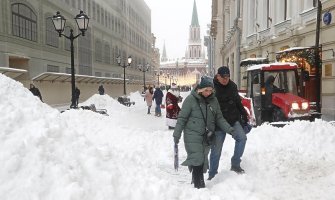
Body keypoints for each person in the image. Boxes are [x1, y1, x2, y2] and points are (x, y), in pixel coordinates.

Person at [173, 76, 234, 189]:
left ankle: (195, 178)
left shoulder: (214, 101)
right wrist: (177, 134)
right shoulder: (190, 100)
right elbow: (182, 118)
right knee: (198, 158)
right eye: (206, 90)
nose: (208, 93)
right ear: (201, 89)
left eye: (210, 90)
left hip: (207, 136)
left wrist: (230, 129)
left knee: (202, 159)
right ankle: (199, 186)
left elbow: (219, 118)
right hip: (192, 135)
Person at [208, 66, 249, 180]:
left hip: (232, 120)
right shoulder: (211, 88)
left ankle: (235, 164)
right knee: (216, 151)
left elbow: (238, 102)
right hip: (218, 124)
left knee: (242, 138)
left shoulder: (232, 86)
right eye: (223, 77)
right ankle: (212, 174)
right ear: (218, 76)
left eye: (227, 77)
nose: (226, 79)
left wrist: (244, 116)